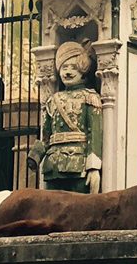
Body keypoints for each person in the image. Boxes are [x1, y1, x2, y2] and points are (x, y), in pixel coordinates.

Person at [29, 42, 104, 193]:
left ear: (83, 70)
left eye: (73, 67)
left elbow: (94, 135)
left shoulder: (90, 97)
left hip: (78, 165)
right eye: (64, 67)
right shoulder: (53, 100)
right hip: (52, 167)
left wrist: (94, 167)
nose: (68, 72)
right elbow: (46, 136)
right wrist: (35, 156)